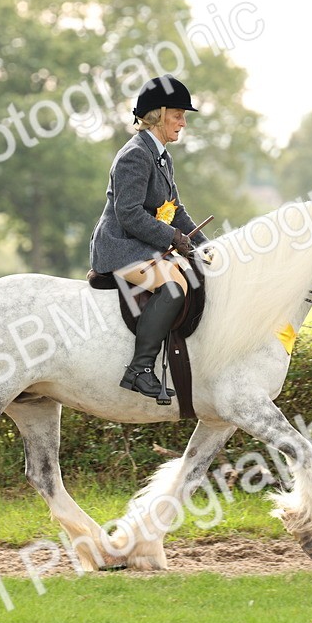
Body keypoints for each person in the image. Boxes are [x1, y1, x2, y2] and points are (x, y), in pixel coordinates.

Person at [89, 74, 210, 401]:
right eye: (178, 115)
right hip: (120, 248)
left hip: (142, 246)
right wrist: (171, 236)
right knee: (173, 289)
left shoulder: (161, 156)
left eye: (183, 117)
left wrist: (207, 247)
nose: (183, 122)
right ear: (157, 115)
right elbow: (128, 214)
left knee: (195, 275)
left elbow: (175, 209)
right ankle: (139, 370)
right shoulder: (135, 155)